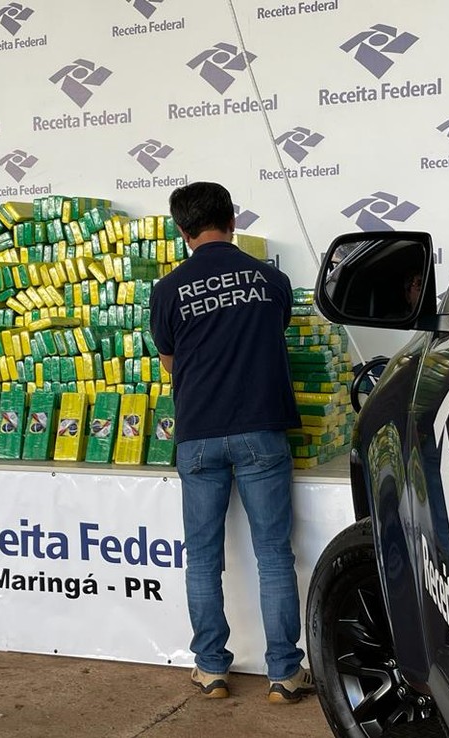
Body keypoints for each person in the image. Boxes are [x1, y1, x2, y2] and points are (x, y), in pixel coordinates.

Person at [149, 182, 314, 704]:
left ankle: (211, 669)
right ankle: (285, 675)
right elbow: (274, 332)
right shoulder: (272, 279)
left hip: (198, 434)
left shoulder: (168, 288)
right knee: (273, 556)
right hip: (262, 430)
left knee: (201, 557)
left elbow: (171, 363)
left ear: (182, 230)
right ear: (233, 220)